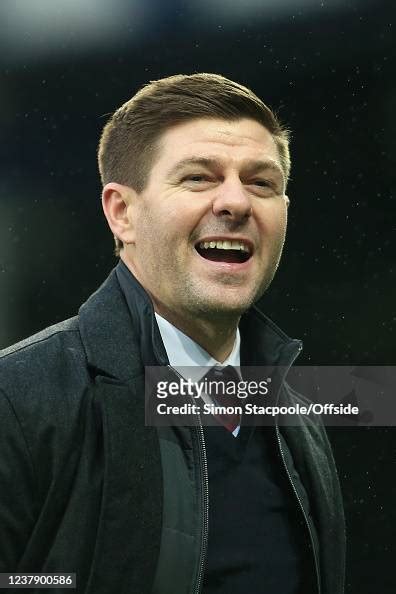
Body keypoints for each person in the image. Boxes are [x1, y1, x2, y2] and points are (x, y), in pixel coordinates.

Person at [0, 73, 345, 593]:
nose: (237, 203)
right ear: (122, 213)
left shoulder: (301, 418)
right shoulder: (17, 398)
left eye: (262, 183)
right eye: (198, 178)